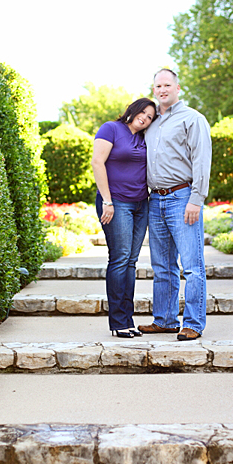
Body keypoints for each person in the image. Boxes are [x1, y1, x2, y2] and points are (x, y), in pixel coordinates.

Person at [136, 68, 212, 341]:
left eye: (167, 85)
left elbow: (201, 160)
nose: (162, 90)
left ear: (177, 88)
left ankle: (193, 323)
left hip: (182, 198)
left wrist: (196, 199)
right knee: (162, 266)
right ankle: (165, 320)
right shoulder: (151, 122)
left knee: (192, 266)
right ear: (153, 90)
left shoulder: (193, 119)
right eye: (158, 86)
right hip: (155, 199)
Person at [91, 97, 157, 338]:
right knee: (119, 259)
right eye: (143, 112)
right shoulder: (111, 128)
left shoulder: (144, 138)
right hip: (116, 202)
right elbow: (97, 162)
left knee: (131, 261)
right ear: (133, 109)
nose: (145, 118)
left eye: (150, 117)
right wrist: (107, 201)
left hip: (141, 204)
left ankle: (127, 321)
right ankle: (118, 322)